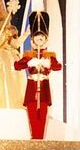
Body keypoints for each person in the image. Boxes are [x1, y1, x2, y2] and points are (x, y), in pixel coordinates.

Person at [13, 10, 62, 140]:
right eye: (37, 37)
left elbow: (58, 67)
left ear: (45, 39)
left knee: (43, 115)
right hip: (32, 86)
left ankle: (40, 139)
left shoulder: (49, 55)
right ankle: (34, 138)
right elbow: (17, 66)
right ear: (33, 39)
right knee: (32, 115)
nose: (39, 39)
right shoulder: (29, 55)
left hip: (44, 87)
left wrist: (48, 64)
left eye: (42, 37)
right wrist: (29, 62)